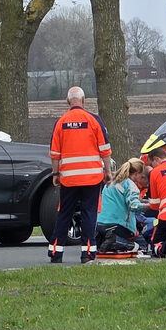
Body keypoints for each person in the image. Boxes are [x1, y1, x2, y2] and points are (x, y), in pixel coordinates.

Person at [47, 86, 112, 265]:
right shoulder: (94, 120)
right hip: (92, 178)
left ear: (68, 102)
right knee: (89, 213)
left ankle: (55, 252)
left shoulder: (61, 122)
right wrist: (108, 172)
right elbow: (105, 150)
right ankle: (88, 253)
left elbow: (54, 153)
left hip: (69, 178)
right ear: (83, 101)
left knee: (64, 213)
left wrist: (56, 173)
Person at [96, 158, 148, 253]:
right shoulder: (130, 185)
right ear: (136, 173)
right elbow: (133, 206)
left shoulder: (111, 182)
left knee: (104, 243)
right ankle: (116, 242)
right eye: (141, 175)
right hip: (118, 225)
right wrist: (149, 206)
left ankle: (104, 242)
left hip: (100, 223)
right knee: (142, 246)